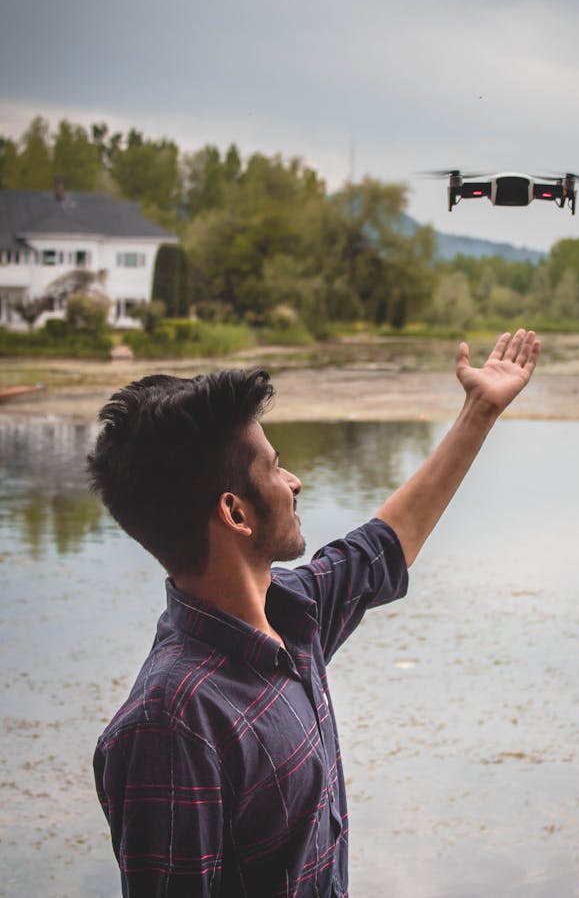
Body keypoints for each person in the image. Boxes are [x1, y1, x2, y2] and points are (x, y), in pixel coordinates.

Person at [90, 328, 541, 897]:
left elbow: (382, 547)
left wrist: (479, 413)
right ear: (235, 513)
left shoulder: (291, 614)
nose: (293, 481)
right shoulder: (174, 724)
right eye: (275, 468)